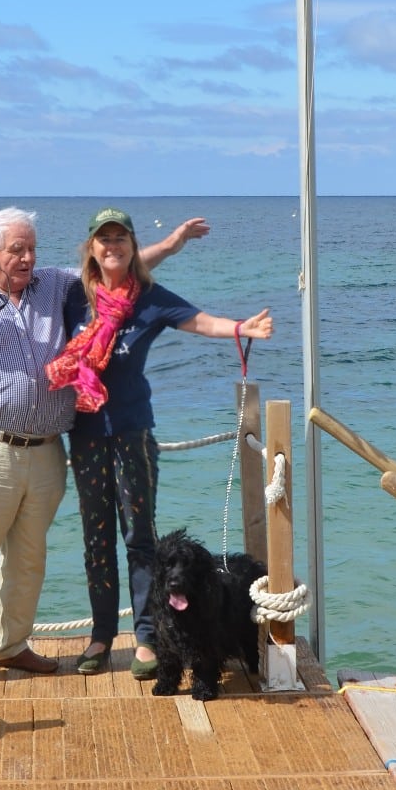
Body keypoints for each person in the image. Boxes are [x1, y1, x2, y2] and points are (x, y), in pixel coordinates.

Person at [0, 205, 205, 692]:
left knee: (28, 555)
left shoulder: (55, 285)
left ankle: (11, 645)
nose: (28, 258)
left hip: (46, 448)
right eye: (17, 249)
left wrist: (171, 244)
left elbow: (115, 267)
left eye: (32, 248)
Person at [46, 206, 272, 681]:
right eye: (104, 239)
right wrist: (169, 244)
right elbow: (115, 268)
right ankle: (101, 637)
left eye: (120, 238)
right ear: (91, 247)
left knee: (140, 539)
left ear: (131, 245)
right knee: (96, 541)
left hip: (132, 435)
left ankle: (147, 638)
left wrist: (240, 328)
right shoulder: (73, 294)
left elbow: (199, 321)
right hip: (85, 436)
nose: (112, 246)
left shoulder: (148, 298)